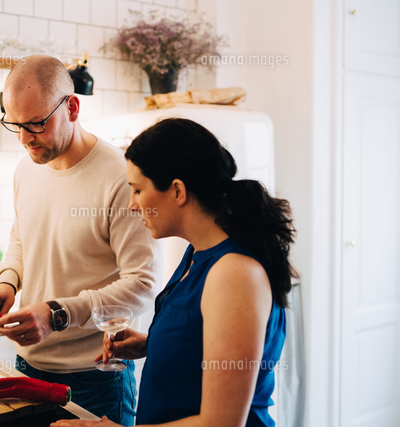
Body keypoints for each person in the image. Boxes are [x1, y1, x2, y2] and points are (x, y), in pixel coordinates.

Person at [51, 118, 297, 427]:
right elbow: (201, 343)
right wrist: (152, 343)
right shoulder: (196, 254)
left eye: (138, 190)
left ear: (177, 191)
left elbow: (221, 422)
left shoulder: (235, 274)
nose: (132, 205)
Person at [0, 55, 161, 426]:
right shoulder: (28, 167)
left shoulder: (120, 177)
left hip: (95, 376)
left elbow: (143, 284)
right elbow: (22, 239)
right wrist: (6, 282)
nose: (26, 139)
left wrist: (58, 313)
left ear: (72, 107)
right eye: (15, 125)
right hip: (27, 367)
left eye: (36, 124)